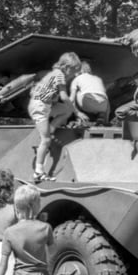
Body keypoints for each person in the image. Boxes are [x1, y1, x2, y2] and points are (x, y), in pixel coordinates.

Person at [29, 52, 82, 183]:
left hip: (44, 105)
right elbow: (64, 97)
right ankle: (38, 172)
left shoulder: (54, 74)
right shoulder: (59, 75)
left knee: (65, 110)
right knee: (46, 141)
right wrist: (77, 112)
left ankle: (51, 129)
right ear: (66, 67)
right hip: (39, 106)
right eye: (74, 70)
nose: (74, 74)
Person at [68, 60, 110, 126]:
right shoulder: (98, 78)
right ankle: (101, 117)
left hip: (87, 104)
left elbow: (71, 99)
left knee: (78, 93)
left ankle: (78, 118)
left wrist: (75, 112)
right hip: (103, 106)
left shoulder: (77, 79)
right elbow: (105, 97)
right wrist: (106, 119)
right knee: (103, 96)